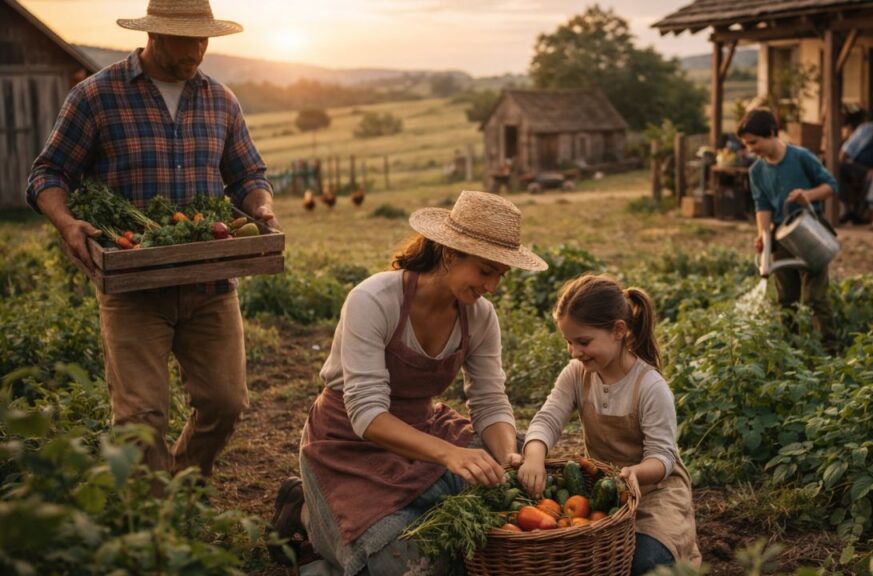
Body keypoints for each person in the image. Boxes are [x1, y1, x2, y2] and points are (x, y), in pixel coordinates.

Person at [26, 0, 277, 477]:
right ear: (155, 36)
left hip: (210, 286)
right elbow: (49, 172)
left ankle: (182, 479)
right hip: (133, 288)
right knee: (141, 421)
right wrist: (66, 221)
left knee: (225, 403)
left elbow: (248, 176)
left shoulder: (220, 100)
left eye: (204, 40)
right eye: (187, 40)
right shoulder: (96, 96)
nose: (198, 51)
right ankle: (157, 531)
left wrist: (261, 204)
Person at [272, 190, 547, 574]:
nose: (493, 287)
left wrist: (507, 459)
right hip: (350, 444)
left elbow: (490, 400)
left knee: (515, 475)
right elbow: (366, 414)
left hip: (424, 430)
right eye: (486, 271)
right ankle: (305, 513)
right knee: (406, 565)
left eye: (501, 274)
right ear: (450, 253)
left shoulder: (480, 317)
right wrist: (452, 455)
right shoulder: (373, 300)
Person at [519, 275, 701, 575]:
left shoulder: (649, 387)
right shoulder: (577, 373)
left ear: (618, 330)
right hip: (606, 492)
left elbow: (663, 457)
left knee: (643, 561)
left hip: (655, 494)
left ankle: (676, 550)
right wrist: (535, 455)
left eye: (583, 341)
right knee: (591, 557)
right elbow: (549, 418)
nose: (574, 352)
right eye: (568, 342)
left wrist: (634, 474)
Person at [737, 108, 840, 353]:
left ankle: (830, 350)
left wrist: (808, 195)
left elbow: (831, 186)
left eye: (754, 142)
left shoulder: (801, 157)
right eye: (747, 145)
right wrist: (764, 236)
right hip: (781, 237)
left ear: (772, 133)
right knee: (787, 300)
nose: (751, 149)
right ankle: (792, 351)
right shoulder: (757, 171)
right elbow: (762, 206)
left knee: (816, 297)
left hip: (809, 231)